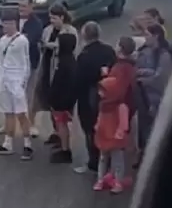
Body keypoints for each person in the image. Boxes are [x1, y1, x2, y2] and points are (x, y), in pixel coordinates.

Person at [0, 9, 35, 160]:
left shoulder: (22, 41)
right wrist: (0, 83)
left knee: (21, 113)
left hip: (16, 80)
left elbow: (26, 64)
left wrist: (22, 82)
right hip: (5, 81)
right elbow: (0, 63)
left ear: (16, 23)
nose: (7, 26)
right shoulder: (2, 40)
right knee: (8, 113)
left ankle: (27, 144)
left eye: (10, 23)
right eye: (4, 23)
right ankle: (7, 143)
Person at [73, 21, 117, 174]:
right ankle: (108, 161)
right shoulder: (109, 51)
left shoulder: (84, 56)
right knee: (107, 128)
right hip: (108, 97)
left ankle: (94, 162)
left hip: (87, 98)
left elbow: (78, 80)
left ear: (84, 35)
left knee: (90, 130)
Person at [95, 36, 137, 190]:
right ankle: (115, 178)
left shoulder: (119, 68)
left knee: (107, 153)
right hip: (124, 109)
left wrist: (106, 76)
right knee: (117, 151)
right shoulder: (131, 67)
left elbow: (114, 87)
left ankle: (107, 179)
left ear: (121, 48)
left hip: (115, 112)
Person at [32, 4, 77, 144]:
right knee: (47, 101)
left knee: (59, 104)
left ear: (62, 17)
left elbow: (70, 49)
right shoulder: (48, 30)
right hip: (46, 67)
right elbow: (43, 44)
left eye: (54, 18)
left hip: (58, 69)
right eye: (50, 17)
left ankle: (61, 132)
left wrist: (52, 46)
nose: (52, 21)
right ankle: (55, 130)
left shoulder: (70, 31)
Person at [135, 24, 172, 168]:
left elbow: (161, 78)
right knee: (144, 129)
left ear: (156, 36)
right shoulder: (149, 52)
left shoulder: (164, 54)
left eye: (147, 35)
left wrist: (143, 79)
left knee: (154, 131)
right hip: (145, 98)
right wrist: (146, 72)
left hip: (156, 100)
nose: (145, 38)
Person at [93, 72, 132, 194]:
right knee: (103, 158)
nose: (100, 93)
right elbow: (100, 117)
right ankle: (101, 179)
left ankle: (118, 182)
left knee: (116, 160)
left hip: (115, 139)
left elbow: (124, 123)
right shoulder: (103, 105)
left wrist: (120, 132)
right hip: (104, 136)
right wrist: (97, 126)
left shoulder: (120, 107)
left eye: (102, 91)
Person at [47, 32, 78, 164]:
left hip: (61, 101)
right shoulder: (69, 60)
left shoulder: (65, 63)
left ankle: (65, 150)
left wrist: (55, 99)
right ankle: (63, 146)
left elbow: (61, 83)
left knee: (61, 124)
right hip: (63, 100)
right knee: (61, 124)